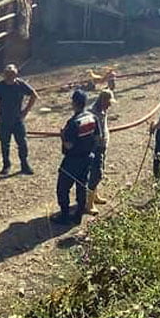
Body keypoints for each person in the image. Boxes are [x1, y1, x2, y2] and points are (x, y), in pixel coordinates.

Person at [53, 89, 98, 225]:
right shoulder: (92, 117)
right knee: (81, 185)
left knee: (62, 188)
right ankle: (78, 215)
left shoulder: (73, 122)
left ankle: (65, 215)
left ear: (74, 103)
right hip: (88, 158)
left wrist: (62, 136)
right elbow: (97, 137)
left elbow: (68, 146)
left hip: (72, 160)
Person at [0, 64, 38, 175]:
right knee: (5, 145)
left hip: (17, 120)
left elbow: (34, 95)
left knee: (22, 143)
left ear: (16, 74)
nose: (9, 76)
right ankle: (6, 165)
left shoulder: (20, 84)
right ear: (4, 75)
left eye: (12, 74)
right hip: (3, 121)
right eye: (7, 74)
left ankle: (24, 165)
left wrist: (25, 111)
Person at [86, 89, 114, 213]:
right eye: (108, 102)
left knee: (98, 172)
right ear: (102, 100)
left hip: (102, 146)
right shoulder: (92, 113)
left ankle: (95, 196)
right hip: (95, 148)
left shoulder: (103, 111)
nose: (110, 105)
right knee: (96, 173)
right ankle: (89, 204)